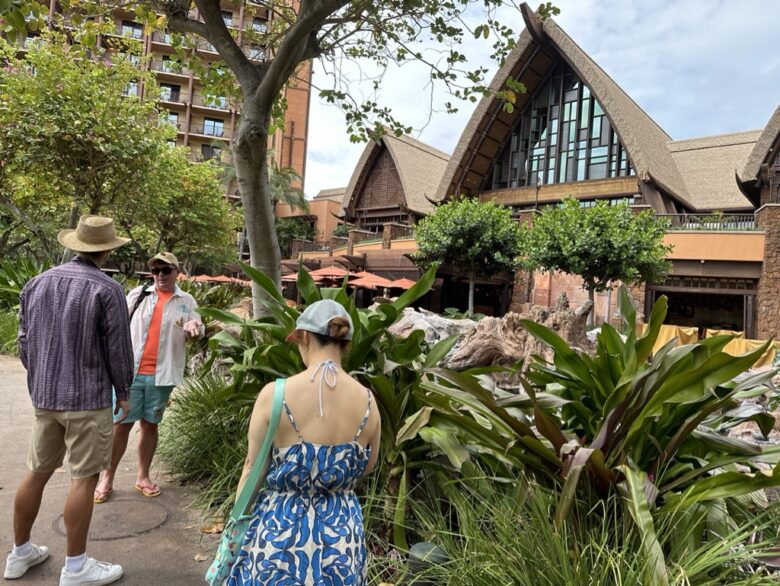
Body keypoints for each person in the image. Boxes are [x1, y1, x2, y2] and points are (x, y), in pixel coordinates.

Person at [4, 215, 134, 585]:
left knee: (37, 471)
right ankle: (75, 567)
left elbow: (24, 343)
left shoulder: (36, 283)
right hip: (87, 399)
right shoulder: (106, 290)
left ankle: (19, 552)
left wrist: (41, 380)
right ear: (106, 249)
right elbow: (118, 350)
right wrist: (123, 392)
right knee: (83, 478)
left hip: (46, 398)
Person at [225, 299, 381, 585]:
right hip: (342, 540)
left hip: (280, 533)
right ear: (345, 344)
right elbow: (368, 467)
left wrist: (233, 536)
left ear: (304, 337)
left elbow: (252, 470)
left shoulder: (275, 394)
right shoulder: (369, 402)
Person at [94, 252, 203, 503]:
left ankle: (143, 477)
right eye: (156, 271)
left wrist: (194, 328)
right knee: (120, 425)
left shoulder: (186, 300)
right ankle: (106, 479)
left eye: (166, 270)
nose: (161, 275)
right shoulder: (137, 295)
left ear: (177, 272)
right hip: (129, 374)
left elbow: (197, 323)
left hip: (161, 375)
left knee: (150, 425)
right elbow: (115, 327)